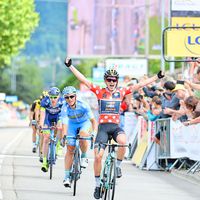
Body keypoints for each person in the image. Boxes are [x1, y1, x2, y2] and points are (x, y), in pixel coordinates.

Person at [64, 57, 164, 199]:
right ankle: (98, 185)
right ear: (105, 81)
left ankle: (117, 165)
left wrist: (157, 77)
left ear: (117, 81)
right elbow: (84, 80)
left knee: (123, 142)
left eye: (114, 80)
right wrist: (70, 66)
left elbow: (139, 85)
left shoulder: (122, 92)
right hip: (103, 128)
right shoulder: (99, 91)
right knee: (98, 157)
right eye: (109, 80)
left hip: (115, 127)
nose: (112, 82)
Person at [61, 86, 98, 187]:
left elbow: (93, 121)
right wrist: (64, 136)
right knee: (70, 148)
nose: (69, 99)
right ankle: (67, 176)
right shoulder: (64, 107)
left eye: (71, 96)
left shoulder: (84, 105)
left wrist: (94, 132)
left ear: (75, 96)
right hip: (72, 125)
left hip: (84, 123)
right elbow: (64, 123)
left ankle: (84, 156)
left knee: (83, 135)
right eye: (67, 97)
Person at [39, 87, 64, 172]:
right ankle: (45, 162)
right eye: (51, 97)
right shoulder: (45, 101)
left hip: (58, 117)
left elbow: (64, 114)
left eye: (55, 97)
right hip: (48, 118)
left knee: (60, 127)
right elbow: (42, 114)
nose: (53, 99)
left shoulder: (62, 101)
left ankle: (58, 146)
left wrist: (62, 123)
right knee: (46, 138)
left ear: (59, 96)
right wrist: (41, 125)